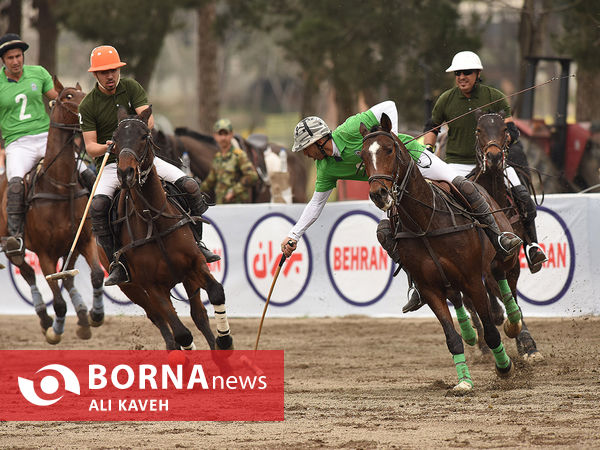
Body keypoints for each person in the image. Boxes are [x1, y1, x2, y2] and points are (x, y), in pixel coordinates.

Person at [280, 100, 522, 312]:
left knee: (461, 185)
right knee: (390, 231)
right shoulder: (325, 169)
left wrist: (390, 139)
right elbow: (316, 204)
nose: (305, 154)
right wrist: (294, 235)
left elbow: (388, 106)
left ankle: (498, 237)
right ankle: (417, 283)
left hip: (414, 156)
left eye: (306, 148)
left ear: (320, 141)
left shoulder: (349, 129)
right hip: (397, 188)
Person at [79, 45, 219, 286]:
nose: (110, 76)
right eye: (104, 72)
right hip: (111, 165)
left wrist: (132, 135)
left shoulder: (131, 87)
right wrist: (109, 147)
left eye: (113, 70)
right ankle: (118, 263)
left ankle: (198, 243)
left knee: (190, 186)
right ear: (95, 75)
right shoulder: (88, 105)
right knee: (99, 206)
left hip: (144, 161)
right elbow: (90, 146)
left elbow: (149, 119)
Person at [423, 50, 547, 278]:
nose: (462, 77)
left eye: (466, 72)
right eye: (458, 73)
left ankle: (532, 247)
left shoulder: (495, 95)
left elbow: (512, 131)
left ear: (477, 73)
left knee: (523, 197)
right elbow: (431, 127)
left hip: (493, 162)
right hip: (457, 165)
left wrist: (498, 143)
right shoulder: (446, 99)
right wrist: (429, 149)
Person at [0, 33, 96, 265]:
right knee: (14, 183)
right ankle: (16, 237)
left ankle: (104, 220)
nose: (16, 61)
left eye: (19, 56)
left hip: (46, 138)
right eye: (11, 57)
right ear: (3, 60)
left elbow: (61, 100)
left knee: (84, 169)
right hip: (17, 143)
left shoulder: (39, 73)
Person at [200, 118, 258, 203]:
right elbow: (210, 181)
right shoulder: (217, 158)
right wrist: (195, 188)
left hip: (237, 205)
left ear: (231, 135)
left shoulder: (239, 155)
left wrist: (233, 192)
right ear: (215, 136)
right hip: (221, 205)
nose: (223, 138)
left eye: (226, 134)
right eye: (220, 134)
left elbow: (252, 176)